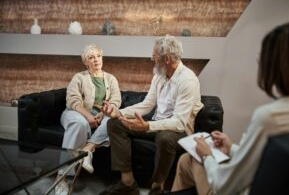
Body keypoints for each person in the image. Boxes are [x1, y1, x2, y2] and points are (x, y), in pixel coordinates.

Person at [171, 22, 289, 195]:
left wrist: (207, 155)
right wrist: (231, 147)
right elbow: (265, 159)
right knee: (186, 159)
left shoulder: (271, 117)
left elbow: (225, 186)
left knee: (192, 158)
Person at [100, 35, 203, 195]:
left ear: (167, 59)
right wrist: (118, 112)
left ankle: (157, 187)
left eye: (154, 55)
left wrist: (147, 126)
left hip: (178, 131)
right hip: (157, 124)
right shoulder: (159, 76)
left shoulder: (188, 80)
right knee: (114, 123)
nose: (151, 58)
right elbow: (146, 104)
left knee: (165, 138)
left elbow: (179, 122)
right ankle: (128, 183)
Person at [55, 44, 121, 195]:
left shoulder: (111, 79)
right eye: (91, 57)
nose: (96, 60)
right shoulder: (79, 77)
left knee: (114, 121)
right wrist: (88, 116)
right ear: (86, 62)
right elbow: (73, 100)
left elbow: (116, 101)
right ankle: (61, 178)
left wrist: (103, 114)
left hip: (100, 115)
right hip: (76, 112)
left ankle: (87, 152)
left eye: (98, 56)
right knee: (79, 123)